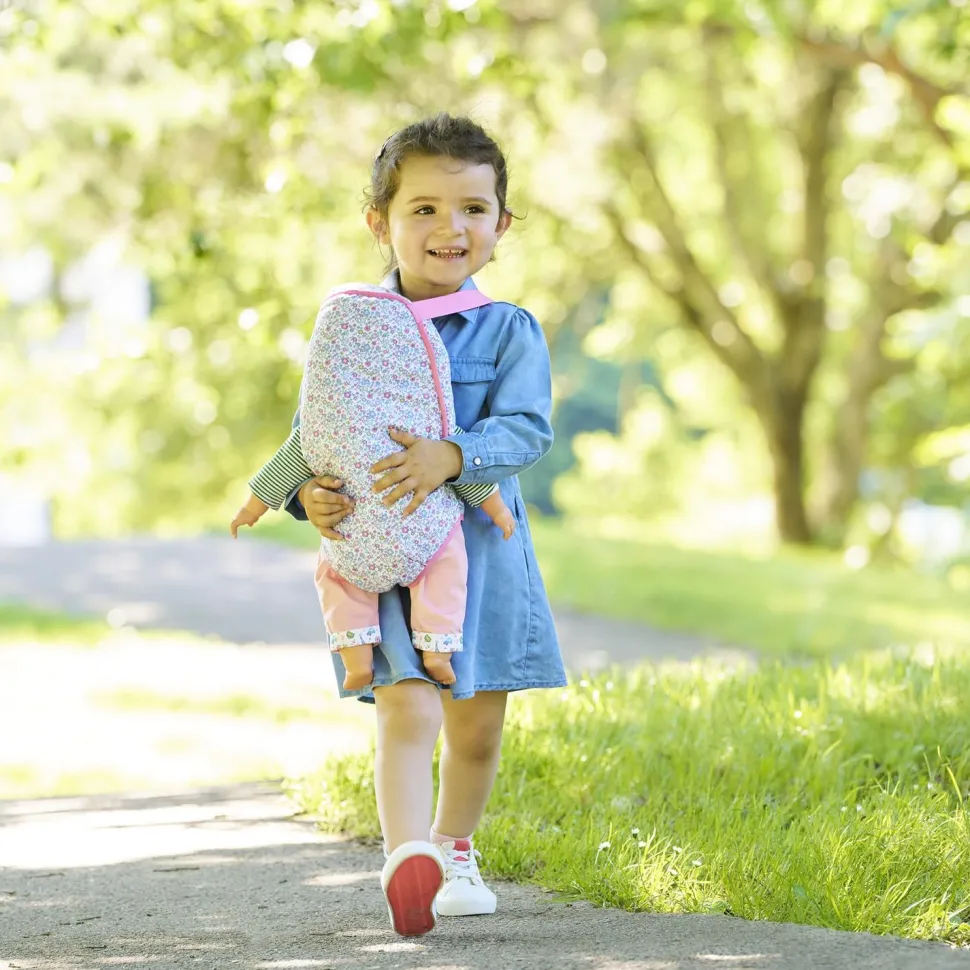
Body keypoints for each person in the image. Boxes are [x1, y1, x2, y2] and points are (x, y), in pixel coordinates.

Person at [281, 113, 566, 937]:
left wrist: (455, 455)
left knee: (474, 727)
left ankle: (454, 846)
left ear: (502, 225)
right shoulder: (351, 328)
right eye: (425, 209)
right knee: (405, 707)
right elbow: (315, 431)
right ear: (381, 223)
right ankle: (408, 857)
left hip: (481, 557)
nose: (452, 227)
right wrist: (310, 496)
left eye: (474, 209)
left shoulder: (508, 329)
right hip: (387, 559)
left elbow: (527, 429)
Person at [230, 377, 517, 691]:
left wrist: (251, 509)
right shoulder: (426, 413)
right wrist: (499, 511)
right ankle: (438, 652)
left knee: (338, 583)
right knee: (446, 574)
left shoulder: (326, 422)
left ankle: (356, 660)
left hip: (355, 539)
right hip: (426, 537)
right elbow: (465, 465)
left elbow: (284, 463)